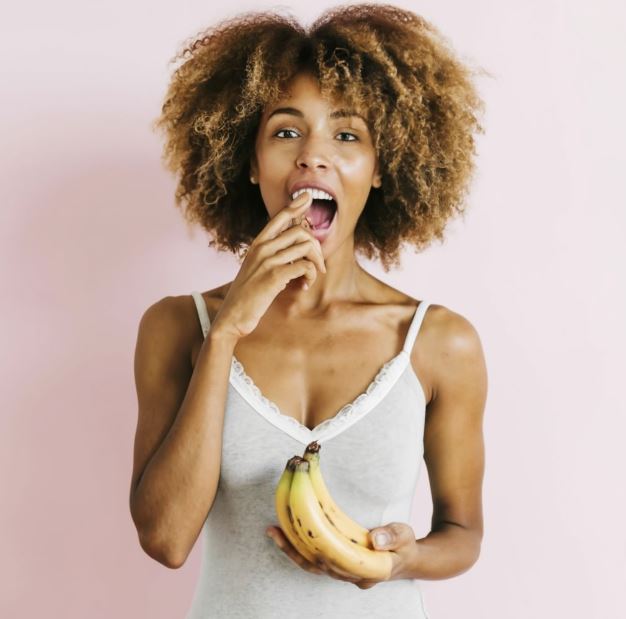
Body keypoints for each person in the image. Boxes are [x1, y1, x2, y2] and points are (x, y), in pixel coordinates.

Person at [130, 4, 488, 617]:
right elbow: (165, 540)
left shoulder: (436, 341)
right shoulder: (177, 327)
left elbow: (463, 534)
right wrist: (227, 333)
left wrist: (402, 559)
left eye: (347, 136)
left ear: (379, 170)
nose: (313, 157)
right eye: (286, 131)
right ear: (249, 163)